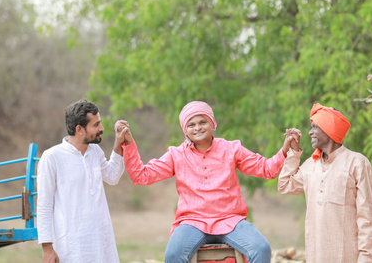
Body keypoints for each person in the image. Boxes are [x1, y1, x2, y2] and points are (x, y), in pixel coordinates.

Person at [118, 100, 299, 263]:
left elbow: (266, 169)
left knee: (261, 248)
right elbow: (141, 176)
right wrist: (129, 144)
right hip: (192, 221)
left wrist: (284, 151)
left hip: (230, 220)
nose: (197, 128)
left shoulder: (231, 149)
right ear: (185, 129)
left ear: (211, 124)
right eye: (191, 124)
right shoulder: (176, 154)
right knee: (173, 255)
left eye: (202, 122)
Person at [278, 103, 372, 263]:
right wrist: (294, 153)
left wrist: (366, 258)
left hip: (349, 257)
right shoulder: (311, 165)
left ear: (329, 129)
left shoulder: (357, 163)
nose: (310, 132)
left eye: (315, 127)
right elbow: (284, 185)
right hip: (316, 256)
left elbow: (367, 218)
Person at [37, 99, 128, 263]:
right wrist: (47, 248)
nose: (101, 129)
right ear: (79, 129)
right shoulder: (52, 157)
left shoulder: (95, 151)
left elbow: (113, 176)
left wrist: (118, 142)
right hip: (71, 247)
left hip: (101, 243)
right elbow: (44, 205)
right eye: (96, 125)